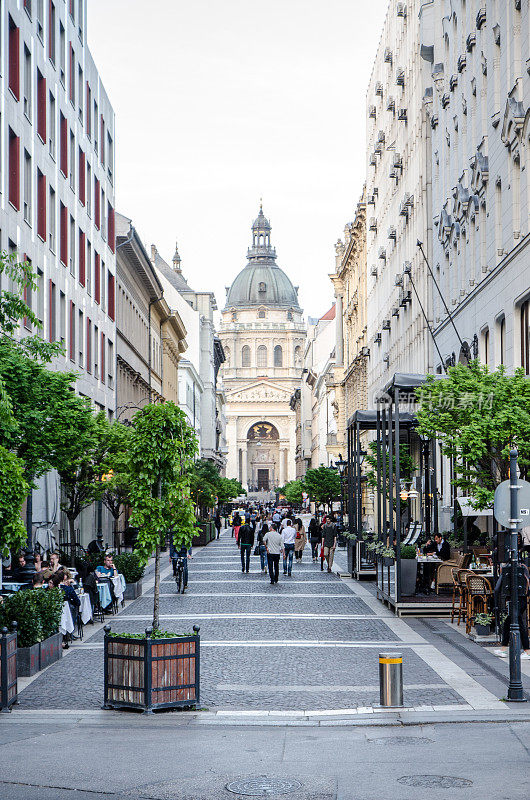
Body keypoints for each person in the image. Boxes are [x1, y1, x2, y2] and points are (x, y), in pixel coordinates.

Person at [493, 561, 530, 659]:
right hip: (522, 600)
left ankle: (526, 650)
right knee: (512, 623)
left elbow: (497, 588)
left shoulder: (507, 570)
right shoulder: (523, 567)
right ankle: (505, 649)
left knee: (517, 625)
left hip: (513, 601)